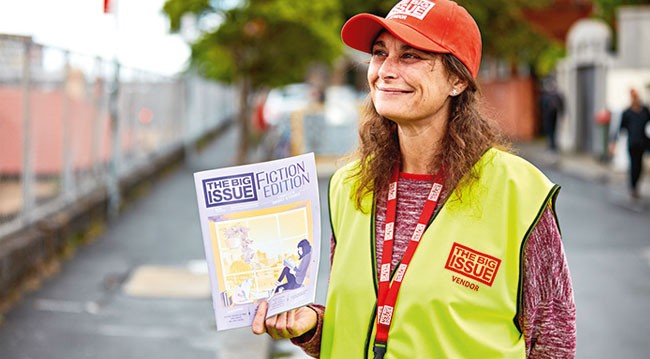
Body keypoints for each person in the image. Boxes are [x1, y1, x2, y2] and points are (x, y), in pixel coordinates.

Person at [252, 1, 576, 358]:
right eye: (379, 53)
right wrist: (311, 326)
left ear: (457, 79)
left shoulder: (519, 191)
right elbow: (365, 328)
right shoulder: (349, 187)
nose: (386, 71)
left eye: (410, 56)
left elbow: (553, 339)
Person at [609, 88, 650, 200]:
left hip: (643, 143)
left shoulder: (645, 111)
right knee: (633, 164)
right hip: (632, 143)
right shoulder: (627, 113)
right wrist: (614, 143)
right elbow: (620, 128)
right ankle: (633, 187)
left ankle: (636, 184)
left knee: (640, 166)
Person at [540, 78, 564, 153]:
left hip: (548, 118)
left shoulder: (546, 96)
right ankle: (552, 147)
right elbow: (562, 106)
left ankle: (552, 147)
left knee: (551, 132)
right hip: (553, 117)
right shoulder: (556, 95)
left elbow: (541, 107)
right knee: (553, 132)